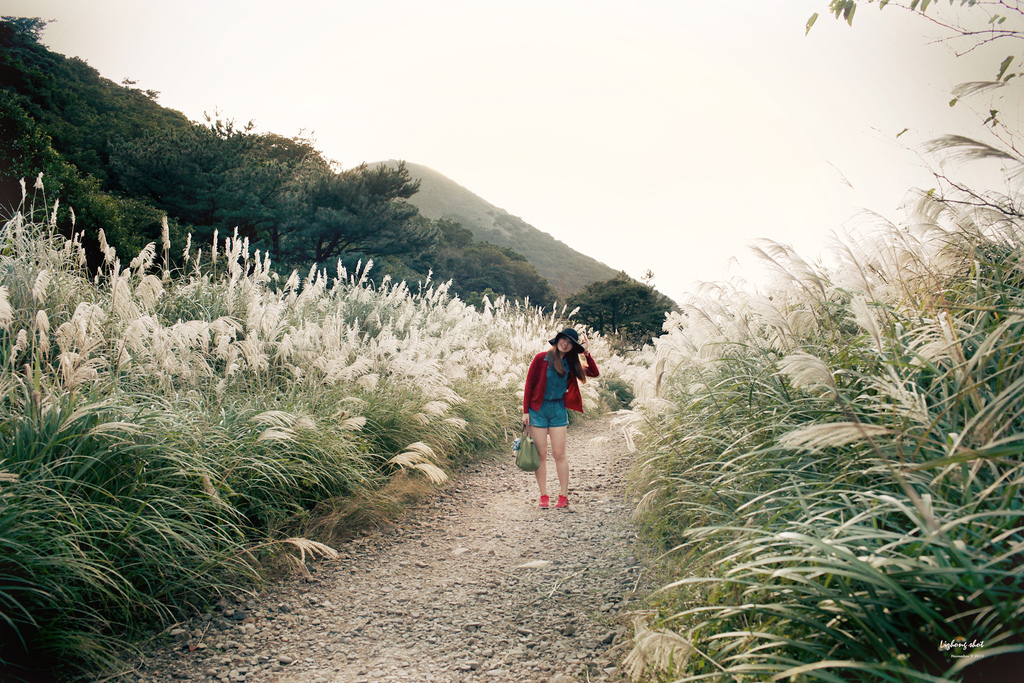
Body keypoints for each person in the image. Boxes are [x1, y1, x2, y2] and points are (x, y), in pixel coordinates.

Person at [522, 327, 600, 509]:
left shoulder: (571, 365)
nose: (566, 344)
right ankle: (543, 495)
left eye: (570, 343)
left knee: (559, 454)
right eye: (563, 340)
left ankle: (563, 496)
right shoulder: (541, 358)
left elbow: (594, 373)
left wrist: (587, 352)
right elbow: (529, 385)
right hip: (537, 410)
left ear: (573, 347)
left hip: (557, 409)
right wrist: (525, 411)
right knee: (541, 454)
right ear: (557, 340)